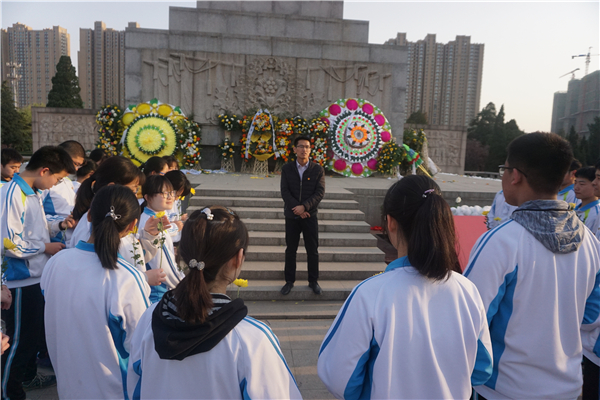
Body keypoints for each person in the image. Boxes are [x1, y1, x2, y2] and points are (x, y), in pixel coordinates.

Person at [318, 175, 493, 399]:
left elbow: (339, 377)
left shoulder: (370, 294)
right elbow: (481, 370)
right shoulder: (467, 290)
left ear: (390, 222)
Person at [465, 132, 600, 399]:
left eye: (504, 169)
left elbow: (469, 321)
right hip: (569, 387)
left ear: (515, 175)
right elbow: (591, 316)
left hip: (506, 389)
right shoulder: (590, 242)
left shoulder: (500, 242)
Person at [127, 206, 301, 399]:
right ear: (238, 258)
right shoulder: (252, 339)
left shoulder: (150, 319)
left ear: (183, 253)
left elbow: (135, 387)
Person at [41, 185, 150, 400]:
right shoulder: (127, 277)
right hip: (115, 390)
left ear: (89, 215)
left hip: (68, 385)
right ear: (132, 226)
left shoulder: (56, 263)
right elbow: (141, 347)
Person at [1, 146, 75, 400]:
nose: (56, 184)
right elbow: (7, 242)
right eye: (57, 178)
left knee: (28, 341)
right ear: (44, 170)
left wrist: (59, 225)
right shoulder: (13, 193)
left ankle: (16, 387)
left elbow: (34, 230)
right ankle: (9, 392)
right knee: (17, 343)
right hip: (20, 281)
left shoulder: (29, 192)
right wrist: (45, 247)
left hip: (33, 278)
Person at [69, 156, 166, 287]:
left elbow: (131, 256)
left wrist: (149, 236)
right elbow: (94, 278)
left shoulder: (117, 219)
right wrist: (143, 278)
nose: (135, 195)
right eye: (133, 189)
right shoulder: (90, 226)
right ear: (112, 187)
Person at [280, 135, 325, 295]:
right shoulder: (287, 169)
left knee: (312, 250)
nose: (304, 149)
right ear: (294, 149)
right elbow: (285, 191)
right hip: (292, 216)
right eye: (301, 146)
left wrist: (304, 207)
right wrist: (296, 208)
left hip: (310, 216)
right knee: (290, 250)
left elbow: (319, 193)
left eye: (307, 147)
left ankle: (313, 281)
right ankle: (289, 281)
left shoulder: (317, 169)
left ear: (310, 150)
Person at [139, 175, 184, 303]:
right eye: (164, 193)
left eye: (171, 192)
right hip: (159, 292)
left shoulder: (149, 218)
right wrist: (183, 284)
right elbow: (164, 265)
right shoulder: (153, 225)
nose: (170, 197)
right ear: (147, 197)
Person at [42, 140, 85, 244]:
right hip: (55, 243)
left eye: (79, 165)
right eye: (75, 163)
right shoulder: (44, 183)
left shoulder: (68, 182)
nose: (75, 169)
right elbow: (36, 217)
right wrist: (61, 223)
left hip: (71, 240)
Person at [164, 170, 191, 243]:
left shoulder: (174, 202)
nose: (176, 198)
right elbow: (160, 231)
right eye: (177, 195)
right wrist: (175, 227)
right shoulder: (160, 206)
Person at [574, 166, 600, 239]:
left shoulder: (596, 213)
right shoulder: (574, 210)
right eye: (575, 183)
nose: (576, 188)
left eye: (582, 184)